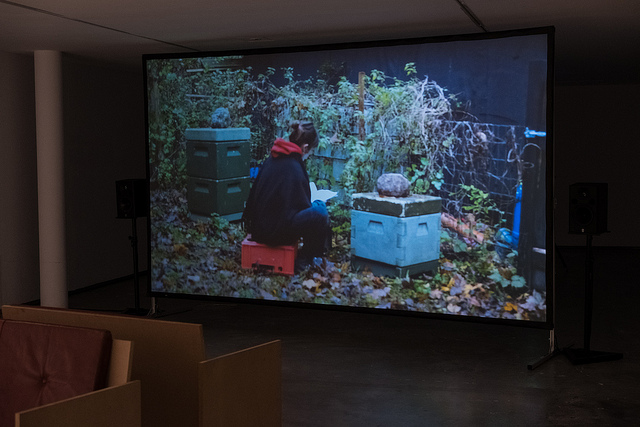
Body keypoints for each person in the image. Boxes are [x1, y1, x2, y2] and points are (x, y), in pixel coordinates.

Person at [243, 121, 331, 269]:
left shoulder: (273, 158)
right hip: (275, 234)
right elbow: (302, 207)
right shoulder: (294, 166)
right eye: (311, 152)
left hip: (258, 229)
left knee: (316, 209)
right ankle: (306, 258)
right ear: (305, 148)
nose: (309, 155)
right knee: (320, 211)